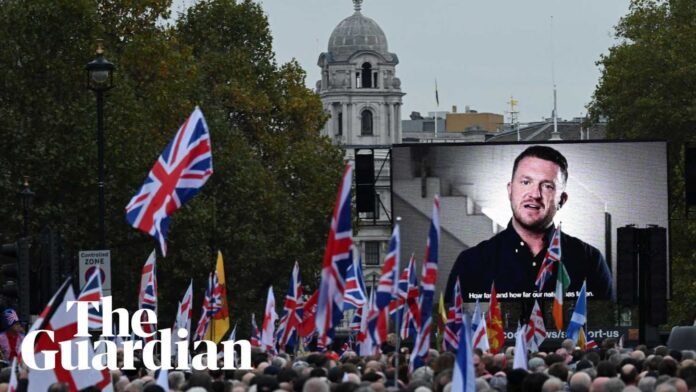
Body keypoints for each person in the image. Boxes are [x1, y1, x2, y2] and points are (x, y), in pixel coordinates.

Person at [445, 145, 613, 306]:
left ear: (561, 200)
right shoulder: (471, 262)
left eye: (547, 186)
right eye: (526, 182)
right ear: (510, 190)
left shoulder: (590, 261)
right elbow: (452, 331)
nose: (534, 194)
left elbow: (608, 330)